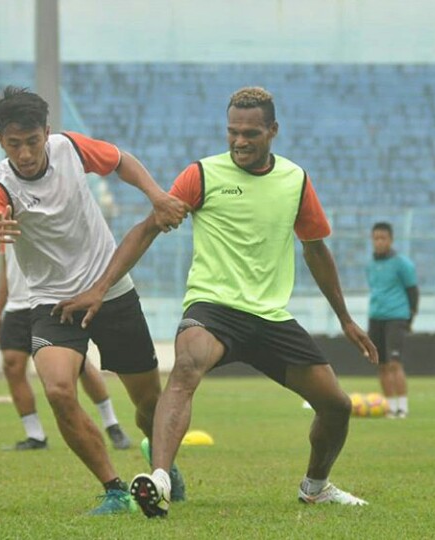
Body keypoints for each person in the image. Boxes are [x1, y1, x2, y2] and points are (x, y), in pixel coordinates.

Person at [54, 87, 379, 517]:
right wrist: (100, 287)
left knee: (336, 406)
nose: (239, 141)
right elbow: (147, 229)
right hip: (212, 308)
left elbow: (316, 250)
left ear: (273, 131)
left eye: (250, 133)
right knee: (186, 367)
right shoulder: (201, 175)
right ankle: (161, 480)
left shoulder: (295, 181)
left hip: (269, 316)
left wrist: (345, 319)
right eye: (232, 132)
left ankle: (315, 487)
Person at [0, 86, 189, 515]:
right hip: (54, 304)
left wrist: (157, 195)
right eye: (14, 144)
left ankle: (164, 464)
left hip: (111, 291)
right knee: (57, 389)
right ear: (0, 141)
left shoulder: (70, 147)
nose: (25, 153)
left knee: (148, 404)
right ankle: (114, 489)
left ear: (46, 133)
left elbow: (122, 161)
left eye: (32, 141)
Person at [0, 244, 132, 450]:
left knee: (80, 366)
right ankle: (35, 436)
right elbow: (6, 267)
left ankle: (112, 424)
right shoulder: (2, 218)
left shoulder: (49, 213)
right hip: (17, 306)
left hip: (50, 300)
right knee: (12, 365)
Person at [366, 222, 418, 419]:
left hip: (396, 316)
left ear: (391, 240)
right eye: (376, 238)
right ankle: (390, 407)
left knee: (395, 363)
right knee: (381, 364)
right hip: (376, 317)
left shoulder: (402, 264)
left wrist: (410, 317)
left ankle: (402, 406)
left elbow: (412, 291)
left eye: (383, 238)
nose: (379, 242)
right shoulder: (370, 264)